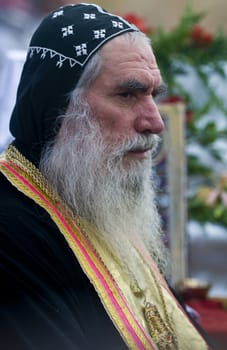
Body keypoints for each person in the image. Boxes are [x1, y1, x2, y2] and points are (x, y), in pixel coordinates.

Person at [0, 3, 211, 349]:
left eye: (152, 95)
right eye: (127, 94)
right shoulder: (10, 230)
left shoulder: (94, 198)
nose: (155, 122)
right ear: (59, 106)